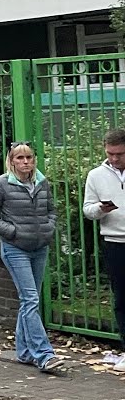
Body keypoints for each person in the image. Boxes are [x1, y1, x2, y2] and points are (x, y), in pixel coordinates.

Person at [0, 141, 65, 373]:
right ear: (12, 161)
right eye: (19, 158)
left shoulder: (41, 182)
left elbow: (52, 210)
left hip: (39, 247)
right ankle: (44, 354)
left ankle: (24, 352)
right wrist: (12, 232)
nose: (25, 162)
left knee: (30, 299)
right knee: (30, 299)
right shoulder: (1, 184)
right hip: (15, 248)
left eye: (28, 157)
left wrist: (49, 228)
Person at [82, 128, 125, 373]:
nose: (115, 159)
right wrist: (100, 208)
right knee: (122, 298)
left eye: (119, 154)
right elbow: (87, 210)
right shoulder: (96, 175)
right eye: (110, 154)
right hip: (114, 241)